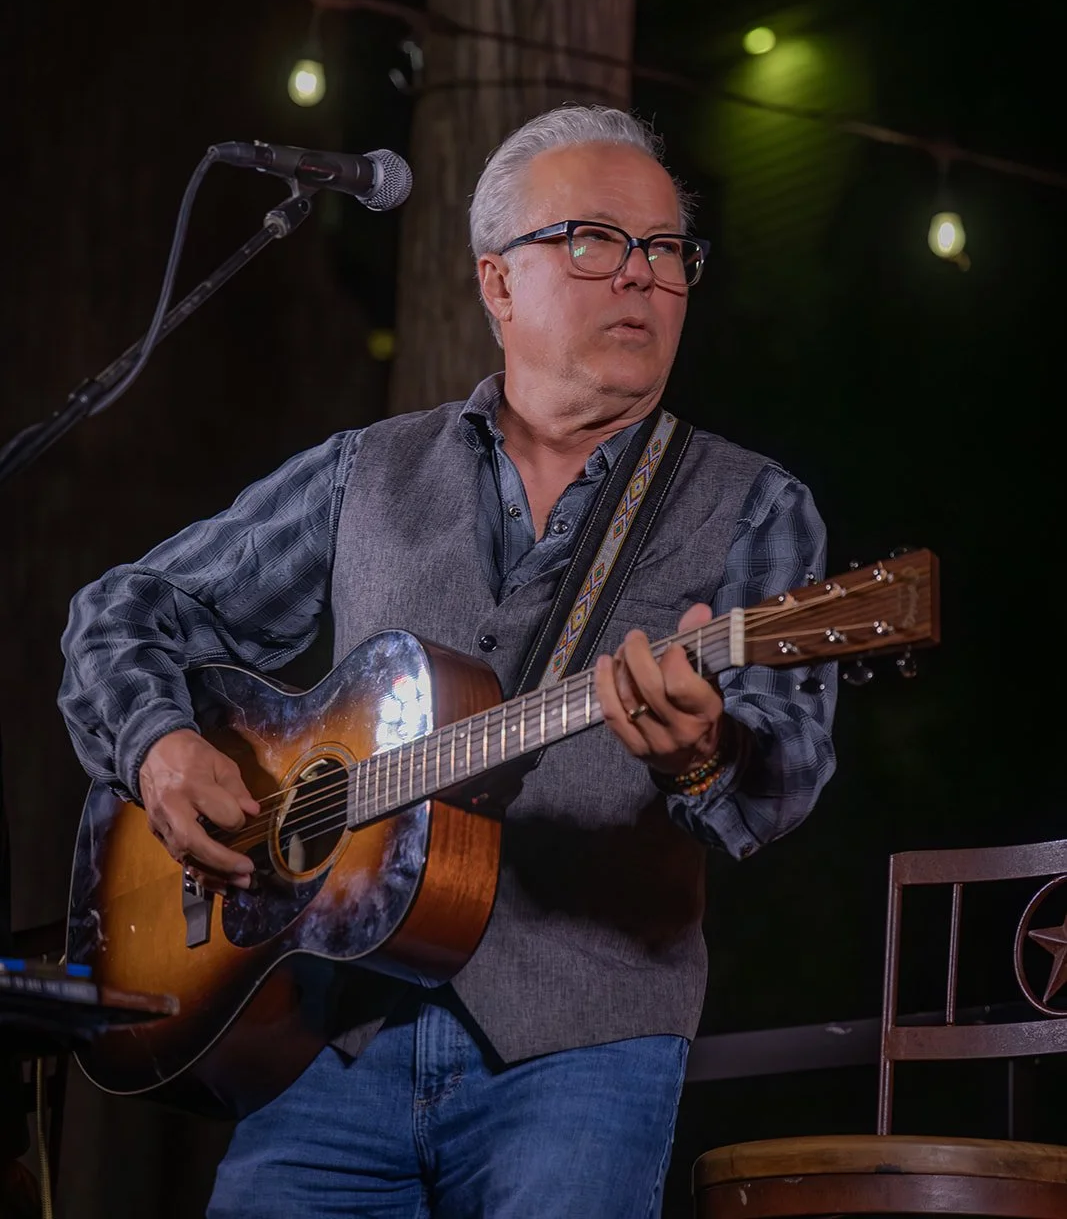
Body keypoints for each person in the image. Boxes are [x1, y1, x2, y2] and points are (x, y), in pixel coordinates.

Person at [58, 105, 837, 1219]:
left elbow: (791, 765)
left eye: (666, 250)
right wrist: (162, 746)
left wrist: (706, 753)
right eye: (593, 240)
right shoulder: (365, 470)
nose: (640, 277)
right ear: (496, 283)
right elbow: (120, 610)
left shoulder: (751, 504)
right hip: (318, 1045)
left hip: (579, 1053)